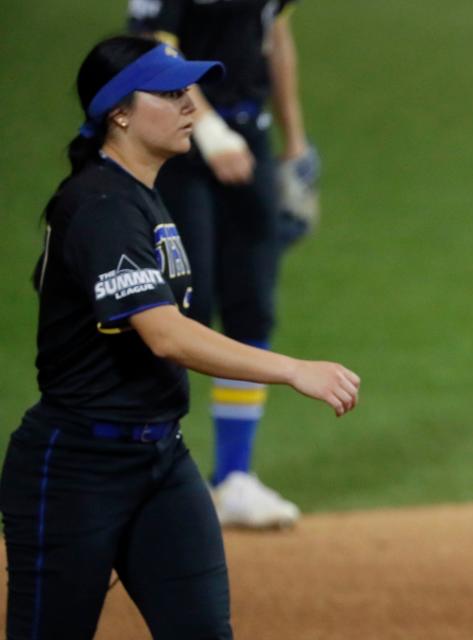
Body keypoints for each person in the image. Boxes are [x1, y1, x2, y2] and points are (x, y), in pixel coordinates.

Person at [0, 35, 359, 639]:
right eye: (169, 93)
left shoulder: (139, 198)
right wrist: (294, 369)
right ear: (118, 112)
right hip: (76, 470)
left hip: (160, 462)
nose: (191, 103)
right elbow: (166, 336)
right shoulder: (102, 203)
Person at [127, 0, 320, 528]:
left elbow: (275, 34)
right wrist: (207, 131)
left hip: (249, 138)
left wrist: (294, 142)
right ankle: (160, 470)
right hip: (180, 145)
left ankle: (235, 477)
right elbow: (155, 47)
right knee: (186, 305)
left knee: (252, 302)